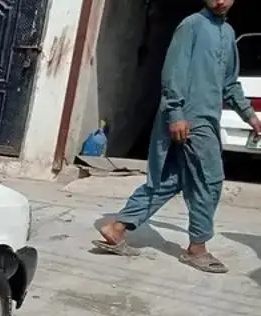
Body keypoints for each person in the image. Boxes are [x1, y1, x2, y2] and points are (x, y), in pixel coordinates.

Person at [93, 0, 261, 274]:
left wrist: (249, 115)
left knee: (170, 180)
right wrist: (176, 113)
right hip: (189, 118)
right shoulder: (191, 26)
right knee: (210, 181)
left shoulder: (228, 33)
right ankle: (197, 248)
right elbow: (173, 73)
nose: (220, 1)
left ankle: (117, 227)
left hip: (206, 118)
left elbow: (229, 83)